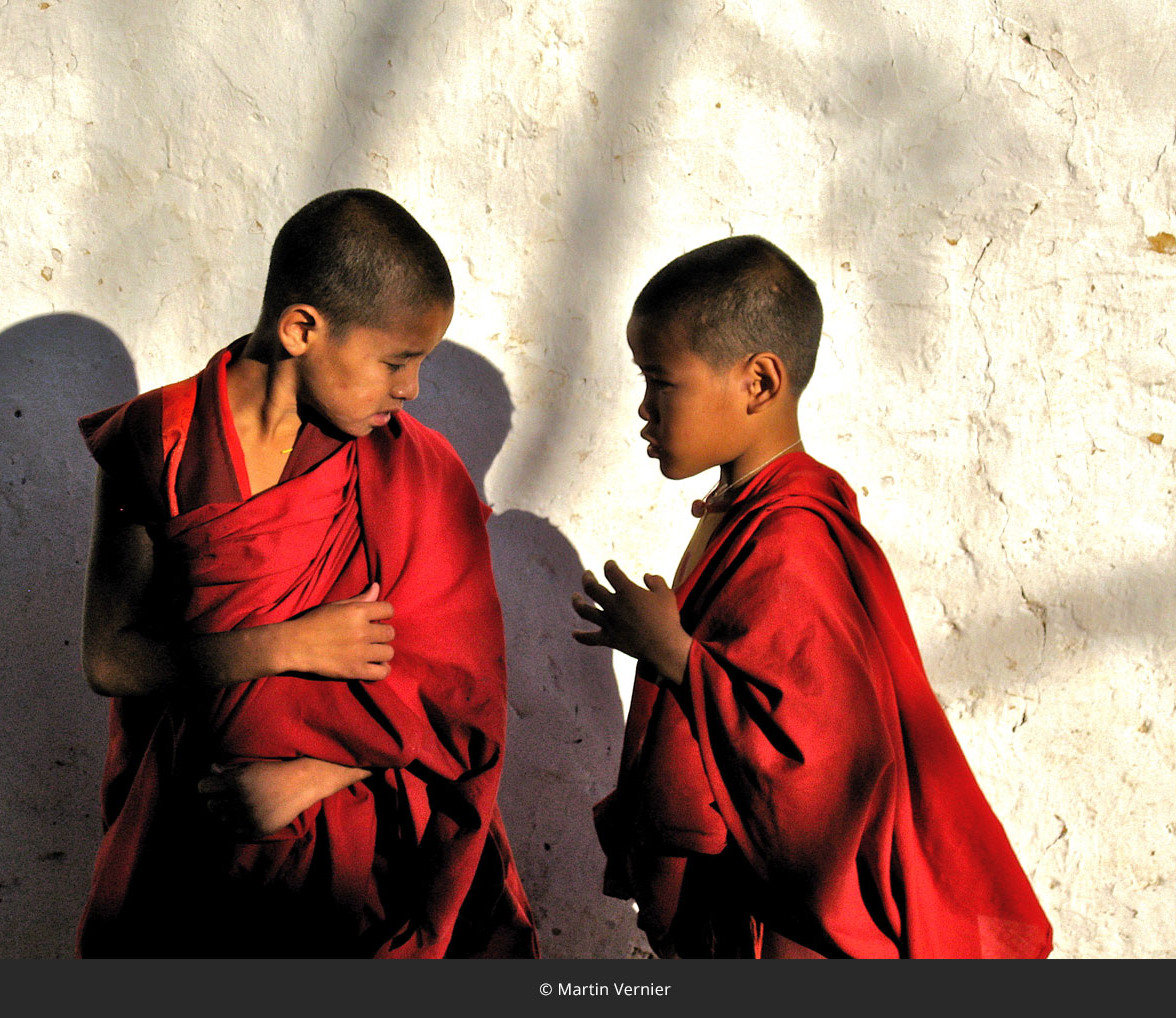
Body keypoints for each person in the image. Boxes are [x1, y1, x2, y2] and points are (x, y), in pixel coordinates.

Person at [76, 189, 537, 958]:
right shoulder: (160, 440)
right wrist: (288, 644)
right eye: (397, 360)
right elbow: (110, 657)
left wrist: (316, 774)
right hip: (194, 838)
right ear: (301, 329)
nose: (411, 389)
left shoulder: (417, 473)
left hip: (361, 862)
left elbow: (461, 701)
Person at [573, 235, 1052, 959]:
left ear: (759, 382)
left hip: (788, 927)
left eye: (660, 381)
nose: (643, 409)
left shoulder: (794, 538)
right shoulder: (743, 513)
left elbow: (815, 762)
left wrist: (669, 650)